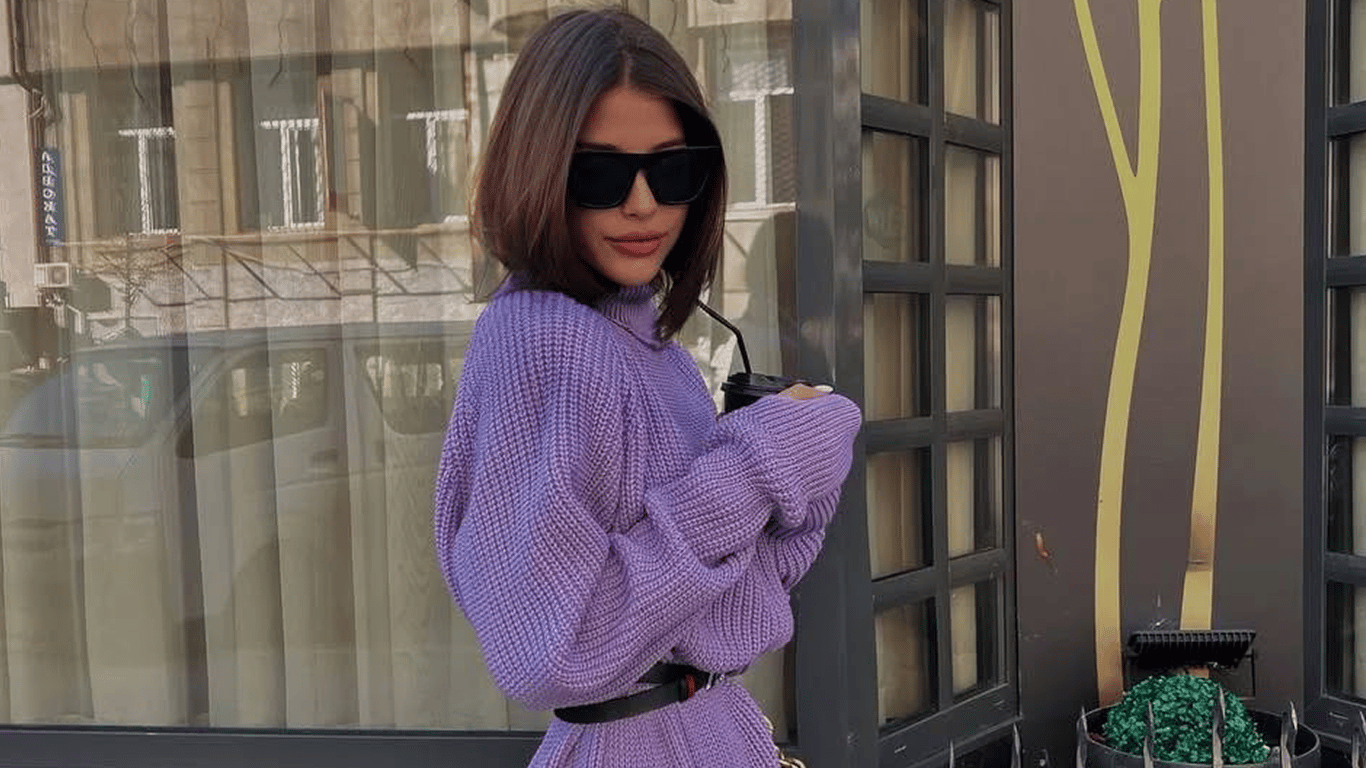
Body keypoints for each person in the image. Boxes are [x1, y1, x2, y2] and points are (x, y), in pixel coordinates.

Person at [433, 9, 862, 767]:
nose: (642, 203)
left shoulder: (638, 335)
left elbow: (723, 603)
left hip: (703, 728)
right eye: (599, 173)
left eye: (672, 171)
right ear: (539, 171)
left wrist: (803, 463)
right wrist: (757, 463)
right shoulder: (546, 340)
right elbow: (550, 649)